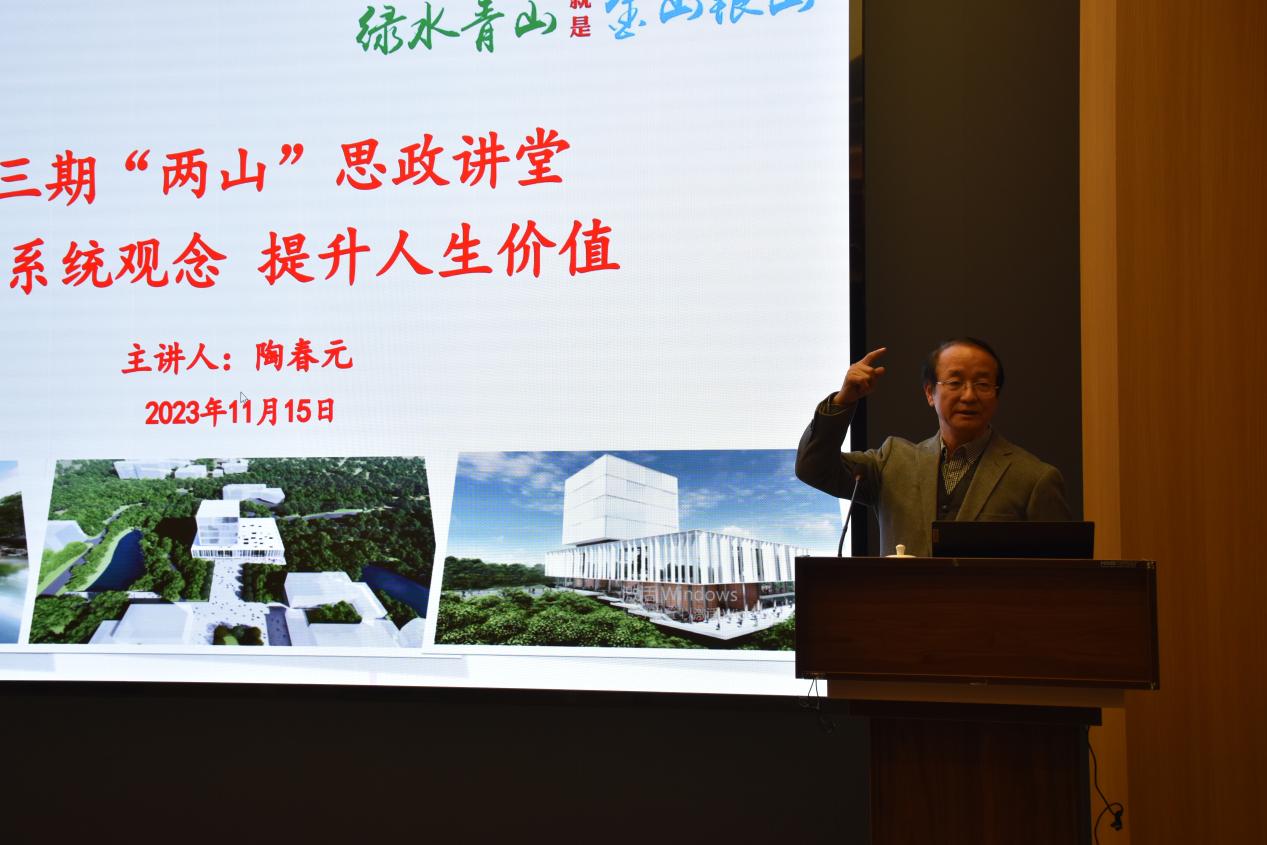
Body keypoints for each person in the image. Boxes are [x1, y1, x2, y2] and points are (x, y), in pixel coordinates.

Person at [796, 338, 1071, 556]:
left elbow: (1060, 579)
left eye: (983, 384)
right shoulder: (892, 462)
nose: (969, 395)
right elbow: (813, 468)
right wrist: (843, 401)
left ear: (996, 395)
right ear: (930, 393)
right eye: (955, 382)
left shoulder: (1033, 479)